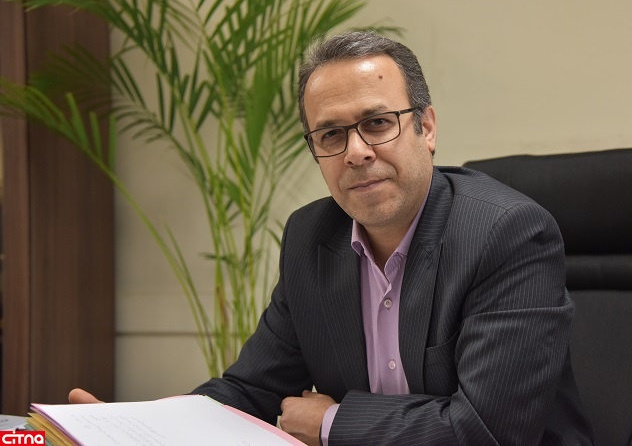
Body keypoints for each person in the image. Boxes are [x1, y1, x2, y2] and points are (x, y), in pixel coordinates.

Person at [71, 31, 594, 445]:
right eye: (331, 134)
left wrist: (331, 422)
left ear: (427, 128)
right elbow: (252, 390)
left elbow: (484, 431)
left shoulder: (506, 234)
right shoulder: (310, 238)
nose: (357, 152)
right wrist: (144, 429)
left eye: (378, 123)